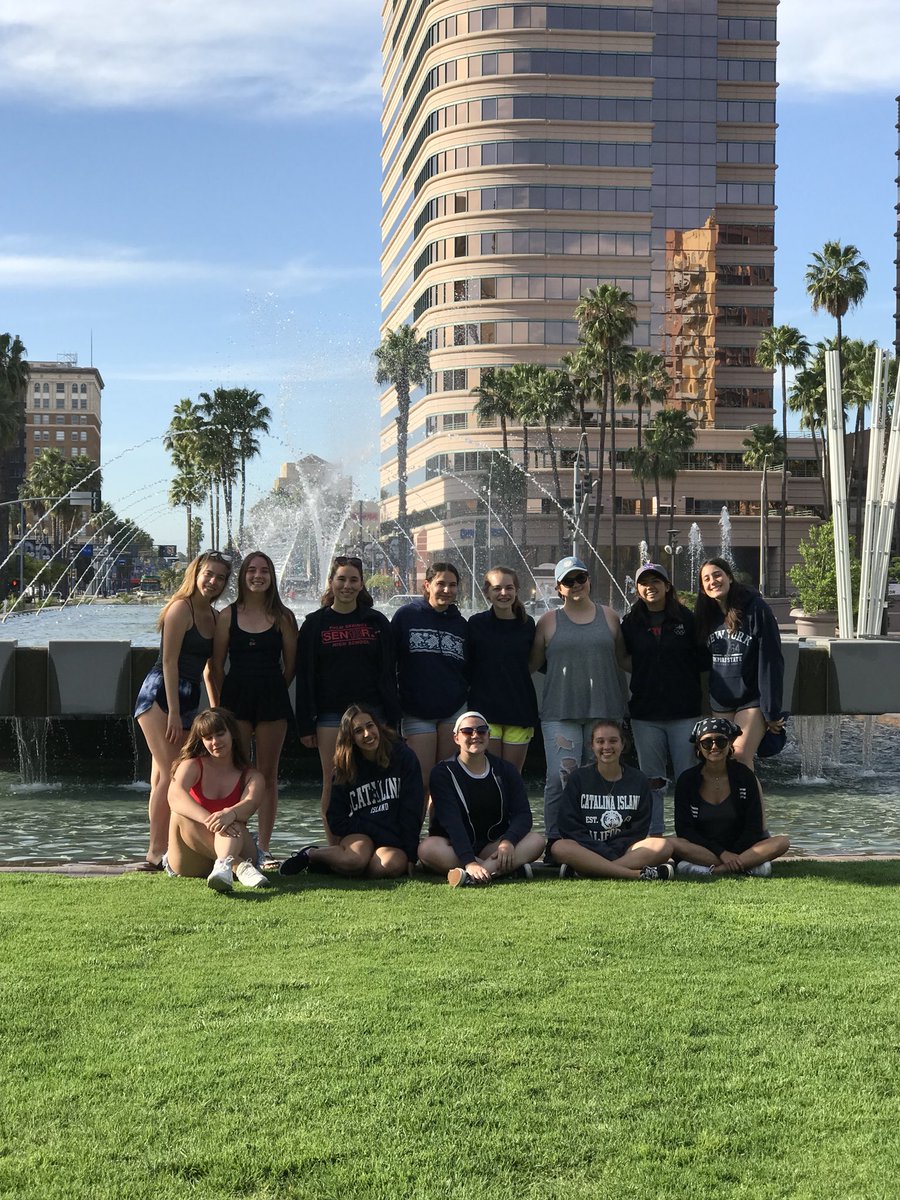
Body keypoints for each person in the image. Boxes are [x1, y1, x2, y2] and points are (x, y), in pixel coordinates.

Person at [133, 550, 231, 871]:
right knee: (173, 774)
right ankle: (156, 851)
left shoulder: (215, 618)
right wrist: (174, 711)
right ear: (196, 572)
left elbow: (208, 669)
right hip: (160, 695)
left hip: (188, 698)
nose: (213, 581)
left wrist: (216, 709)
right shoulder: (181, 609)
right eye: (209, 574)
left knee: (162, 776)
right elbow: (168, 662)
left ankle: (161, 850)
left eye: (220, 577)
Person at [296, 555, 398, 840]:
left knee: (376, 779)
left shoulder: (376, 622)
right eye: (341, 579)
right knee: (333, 780)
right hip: (330, 715)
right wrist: (305, 724)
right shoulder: (315, 624)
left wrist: (392, 717)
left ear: (362, 583)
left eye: (354, 579)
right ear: (331, 582)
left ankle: (376, 839)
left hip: (373, 714)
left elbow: (388, 672)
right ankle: (335, 843)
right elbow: (305, 677)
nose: (347, 585)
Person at [529, 555, 629, 840]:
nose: (575, 585)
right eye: (568, 581)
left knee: (601, 779)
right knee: (559, 781)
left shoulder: (609, 616)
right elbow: (531, 665)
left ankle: (596, 837)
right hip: (560, 712)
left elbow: (624, 660)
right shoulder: (548, 621)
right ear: (559, 587)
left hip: (605, 711)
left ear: (589, 580)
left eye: (580, 578)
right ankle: (556, 840)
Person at [208, 551, 298, 870]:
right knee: (240, 774)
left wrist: (271, 684)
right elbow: (217, 665)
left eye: (264, 571)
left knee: (268, 775)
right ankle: (237, 845)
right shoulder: (226, 615)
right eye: (251, 570)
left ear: (272, 577)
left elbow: (291, 665)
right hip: (237, 700)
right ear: (242, 576)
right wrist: (223, 703)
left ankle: (265, 847)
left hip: (272, 698)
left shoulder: (284, 617)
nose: (257, 575)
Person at [279, 706, 423, 879]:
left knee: (386, 867)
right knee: (355, 860)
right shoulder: (344, 768)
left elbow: (412, 809)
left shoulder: (404, 757)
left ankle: (336, 866)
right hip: (361, 835)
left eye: (370, 726)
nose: (367, 734)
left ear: (378, 726)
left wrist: (410, 854)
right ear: (351, 738)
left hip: (392, 840)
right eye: (358, 731)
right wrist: (371, 829)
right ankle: (310, 854)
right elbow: (335, 819)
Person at [621, 562, 710, 836]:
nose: (651, 587)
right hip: (646, 713)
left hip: (684, 711)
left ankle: (689, 834)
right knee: (652, 779)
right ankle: (654, 833)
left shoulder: (687, 618)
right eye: (644, 582)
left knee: (687, 777)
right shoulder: (630, 622)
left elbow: (703, 662)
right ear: (637, 589)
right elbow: (623, 657)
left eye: (656, 581)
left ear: (667, 586)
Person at [419, 711, 545, 886]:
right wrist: (469, 861)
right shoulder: (442, 773)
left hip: (493, 846)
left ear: (488, 735)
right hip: (454, 847)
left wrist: (508, 841)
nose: (475, 735)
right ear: (456, 738)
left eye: (481, 731)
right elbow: (451, 821)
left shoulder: (506, 770)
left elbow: (523, 814)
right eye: (467, 731)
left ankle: (473, 875)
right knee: (427, 848)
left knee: (536, 840)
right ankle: (501, 870)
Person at [549, 719, 674, 881]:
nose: (606, 747)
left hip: (625, 850)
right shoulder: (578, 778)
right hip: (587, 848)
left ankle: (589, 870)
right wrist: (600, 849)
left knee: (663, 846)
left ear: (623, 744)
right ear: (592, 746)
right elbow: (569, 826)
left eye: (613, 741)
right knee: (559, 847)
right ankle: (632, 873)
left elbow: (639, 828)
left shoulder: (638, 780)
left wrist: (612, 852)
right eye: (600, 742)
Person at [165, 707, 270, 892]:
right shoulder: (192, 765)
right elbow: (174, 796)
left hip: (238, 845)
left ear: (232, 734)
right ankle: (238, 867)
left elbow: (251, 803)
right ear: (201, 741)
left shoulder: (252, 776)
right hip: (192, 858)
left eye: (220, 734)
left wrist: (230, 813)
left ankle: (223, 865)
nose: (215, 742)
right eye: (208, 738)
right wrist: (212, 819)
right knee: (180, 813)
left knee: (234, 821)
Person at [671, 717, 790, 877]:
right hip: (704, 849)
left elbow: (754, 828)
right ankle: (747, 866)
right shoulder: (687, 780)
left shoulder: (744, 776)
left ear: (729, 744)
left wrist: (732, 853)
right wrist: (722, 853)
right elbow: (685, 831)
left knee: (782, 842)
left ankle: (714, 871)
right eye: (707, 743)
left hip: (741, 848)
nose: (714, 747)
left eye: (721, 741)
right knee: (672, 844)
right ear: (698, 747)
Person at [695, 556, 785, 766]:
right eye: (706, 579)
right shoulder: (705, 616)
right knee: (721, 760)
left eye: (717, 575)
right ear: (703, 588)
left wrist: (771, 710)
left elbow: (771, 660)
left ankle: (753, 800)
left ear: (730, 577)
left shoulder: (756, 609)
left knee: (740, 755)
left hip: (751, 699)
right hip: (721, 700)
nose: (713, 581)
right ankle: (732, 800)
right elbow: (700, 659)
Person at [391, 561, 468, 791]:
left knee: (445, 781)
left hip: (453, 710)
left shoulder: (461, 624)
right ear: (427, 585)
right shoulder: (406, 616)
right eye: (441, 583)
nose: (447, 590)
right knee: (421, 780)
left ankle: (440, 828)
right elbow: (389, 660)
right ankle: (414, 828)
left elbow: (469, 666)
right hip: (416, 710)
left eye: (452, 585)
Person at [465, 566, 538, 772]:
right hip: (485, 711)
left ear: (517, 590)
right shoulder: (476, 624)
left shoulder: (527, 624)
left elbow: (534, 662)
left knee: (512, 776)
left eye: (509, 588)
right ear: (487, 592)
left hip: (519, 710)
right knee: (490, 773)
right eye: (497, 588)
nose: (503, 593)